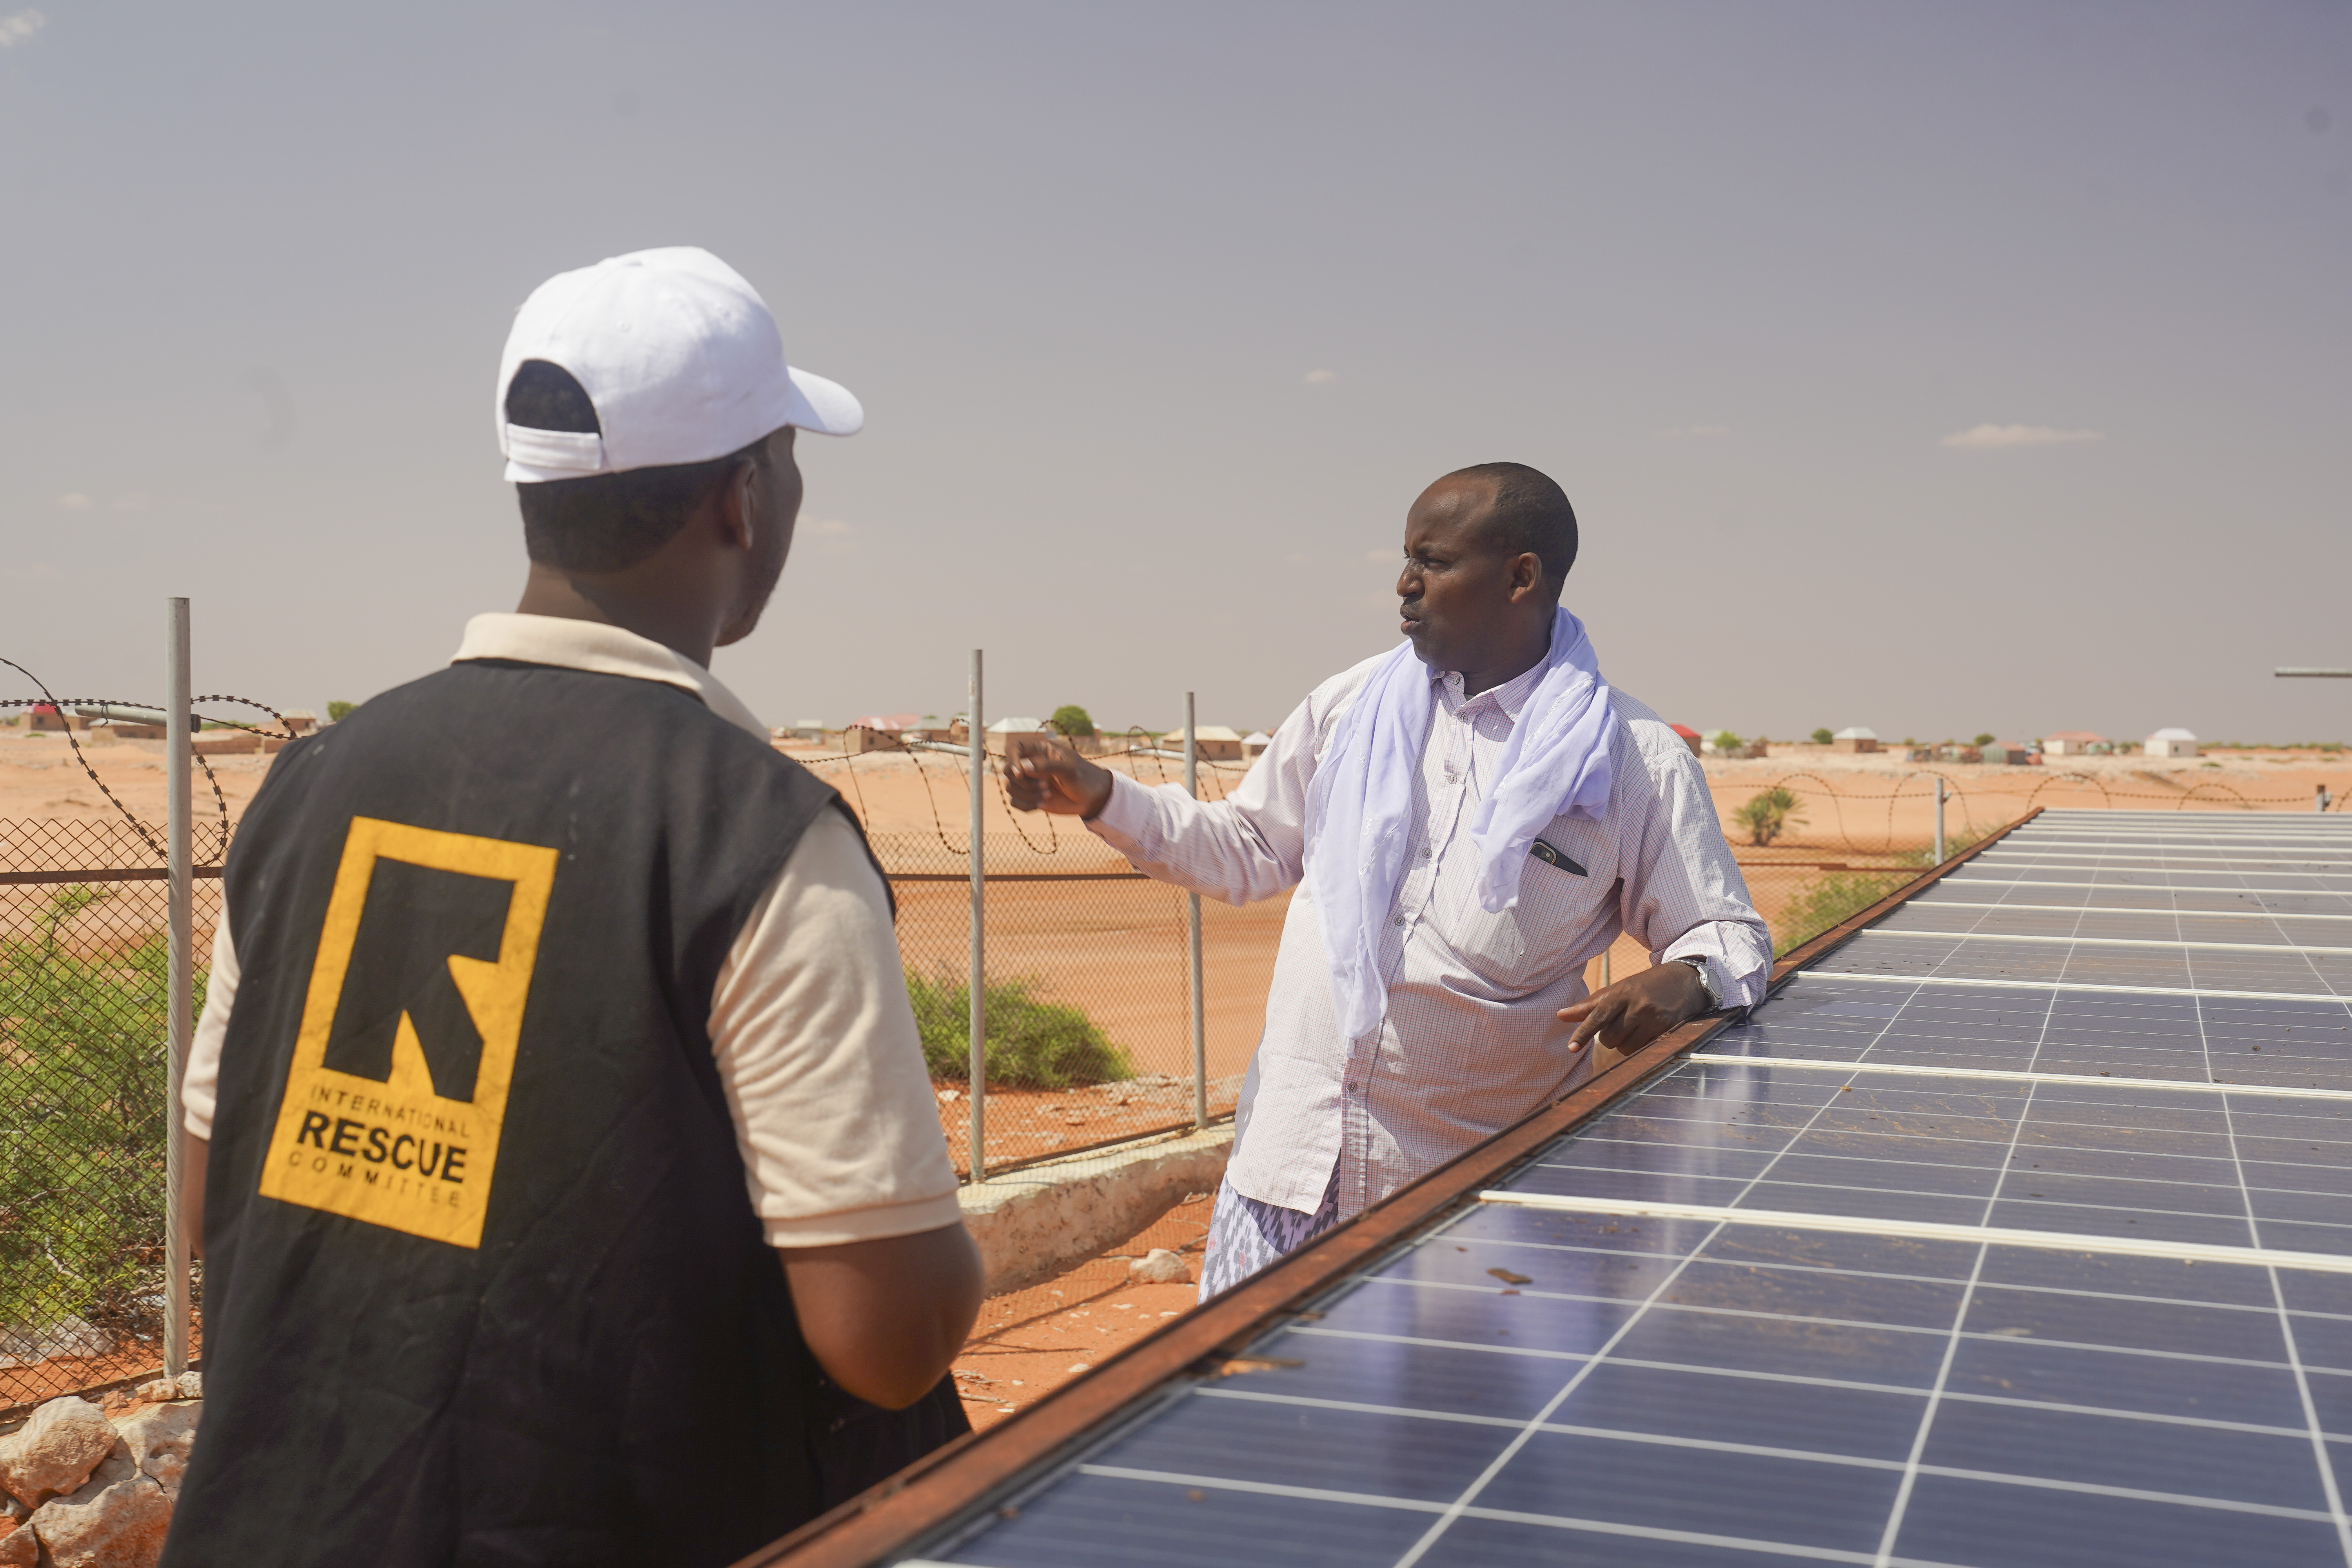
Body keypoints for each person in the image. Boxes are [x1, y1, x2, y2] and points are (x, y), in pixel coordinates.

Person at [162, 248, 982, 1567]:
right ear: (747, 497)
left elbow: (214, 1193)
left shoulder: (309, 785)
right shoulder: (760, 834)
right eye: (787, 458)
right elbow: (886, 1345)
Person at [1008, 463, 1770, 1298]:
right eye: (1407, 559)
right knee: (1248, 1421)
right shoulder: (1352, 706)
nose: (1405, 586)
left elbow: (1726, 934)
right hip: (1288, 1174)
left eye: (1434, 562)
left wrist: (1687, 978)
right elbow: (1248, 843)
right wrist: (1101, 794)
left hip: (1472, 1199)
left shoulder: (1633, 757)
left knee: (1448, 1431)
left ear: (1521, 576)